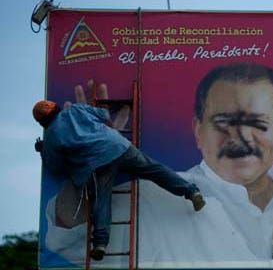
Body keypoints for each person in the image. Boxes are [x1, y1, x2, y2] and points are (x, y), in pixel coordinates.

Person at [44, 63, 273, 268]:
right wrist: (86, 150)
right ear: (198, 130)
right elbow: (69, 235)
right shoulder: (151, 198)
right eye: (223, 122)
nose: (240, 136)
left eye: (257, 123)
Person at [34, 96, 206, 261]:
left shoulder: (51, 137)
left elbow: (56, 166)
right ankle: (191, 192)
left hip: (97, 164)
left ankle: (100, 244)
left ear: (42, 122)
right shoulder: (75, 109)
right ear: (56, 107)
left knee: (102, 200)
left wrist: (43, 149)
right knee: (155, 170)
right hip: (117, 145)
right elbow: (104, 116)